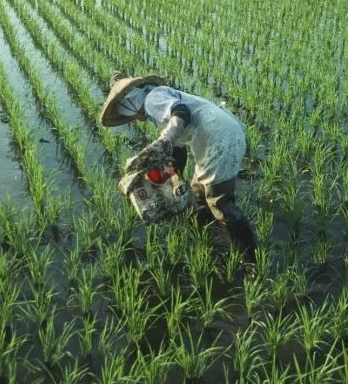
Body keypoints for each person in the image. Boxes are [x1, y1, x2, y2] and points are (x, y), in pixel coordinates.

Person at [99, 73, 258, 263]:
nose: (133, 118)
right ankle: (206, 239)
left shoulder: (152, 98)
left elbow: (181, 112)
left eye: (129, 113)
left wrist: (166, 137)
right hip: (214, 139)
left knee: (220, 202)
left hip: (219, 140)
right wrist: (173, 180)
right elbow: (178, 151)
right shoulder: (158, 105)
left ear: (130, 104)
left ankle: (250, 259)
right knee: (198, 197)